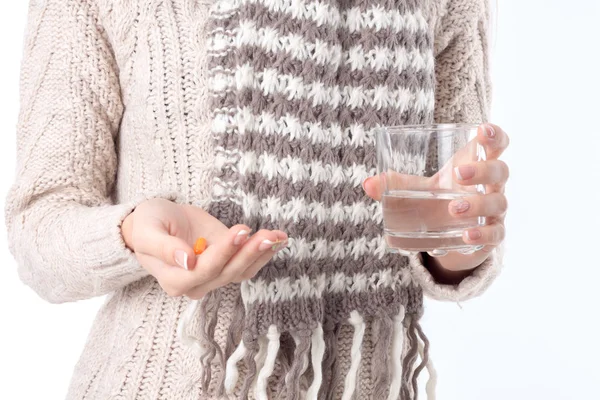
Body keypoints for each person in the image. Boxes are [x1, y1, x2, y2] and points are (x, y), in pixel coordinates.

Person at [5, 0, 509, 398]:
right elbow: (39, 226)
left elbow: (453, 195)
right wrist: (131, 232)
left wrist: (457, 246)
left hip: (368, 382)